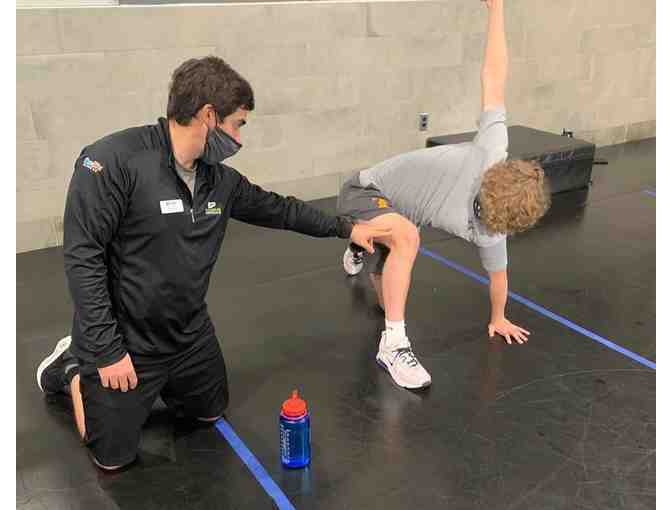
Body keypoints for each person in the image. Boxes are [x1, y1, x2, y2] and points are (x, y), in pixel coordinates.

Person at [36, 56, 389, 471]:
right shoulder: (112, 162)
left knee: (209, 412)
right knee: (111, 458)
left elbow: (280, 209)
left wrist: (347, 228)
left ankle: (154, 380)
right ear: (208, 116)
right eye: (237, 124)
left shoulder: (218, 179)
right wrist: (106, 349)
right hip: (126, 338)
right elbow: (83, 257)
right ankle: (73, 370)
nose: (239, 138)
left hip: (187, 333)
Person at [337, 0, 550, 389]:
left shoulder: (493, 232)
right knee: (408, 238)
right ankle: (393, 346)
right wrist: (497, 9)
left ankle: (360, 244)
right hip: (365, 191)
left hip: (399, 216)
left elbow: (498, 276)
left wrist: (498, 317)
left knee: (385, 300)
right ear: (493, 177)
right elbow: (494, 75)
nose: (482, 215)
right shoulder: (491, 149)